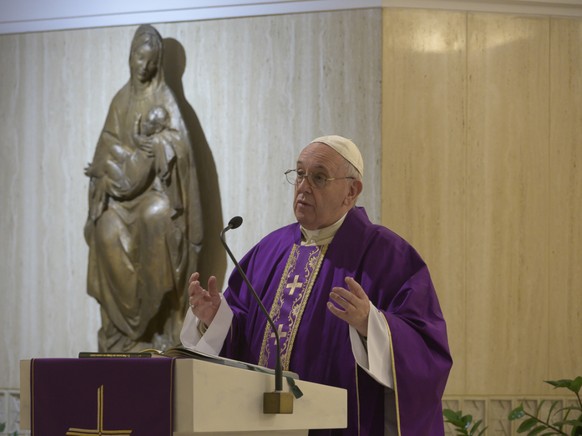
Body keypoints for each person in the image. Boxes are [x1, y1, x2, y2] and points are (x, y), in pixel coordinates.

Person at [180, 135, 452, 435]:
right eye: (299, 174)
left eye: (319, 177)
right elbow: (242, 339)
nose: (303, 186)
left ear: (352, 191)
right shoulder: (268, 251)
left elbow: (427, 350)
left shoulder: (388, 256)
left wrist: (370, 325)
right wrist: (214, 319)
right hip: (261, 423)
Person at [85, 24, 203, 352]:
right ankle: (122, 331)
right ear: (131, 56)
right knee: (105, 228)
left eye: (151, 61)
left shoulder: (165, 99)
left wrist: (161, 146)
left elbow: (181, 148)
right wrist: (106, 176)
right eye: (140, 58)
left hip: (154, 195)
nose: (144, 66)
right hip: (120, 198)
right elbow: (104, 149)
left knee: (160, 215)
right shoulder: (120, 101)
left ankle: (158, 323)